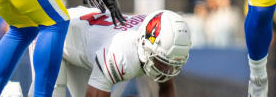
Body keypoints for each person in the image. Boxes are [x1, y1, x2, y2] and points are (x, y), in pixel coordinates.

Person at [28, 6, 191, 97]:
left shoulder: (161, 46)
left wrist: (165, 64)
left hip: (86, 46)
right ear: (144, 45)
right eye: (162, 63)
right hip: (56, 35)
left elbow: (166, 86)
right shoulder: (122, 52)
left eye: (171, 65)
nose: (166, 71)